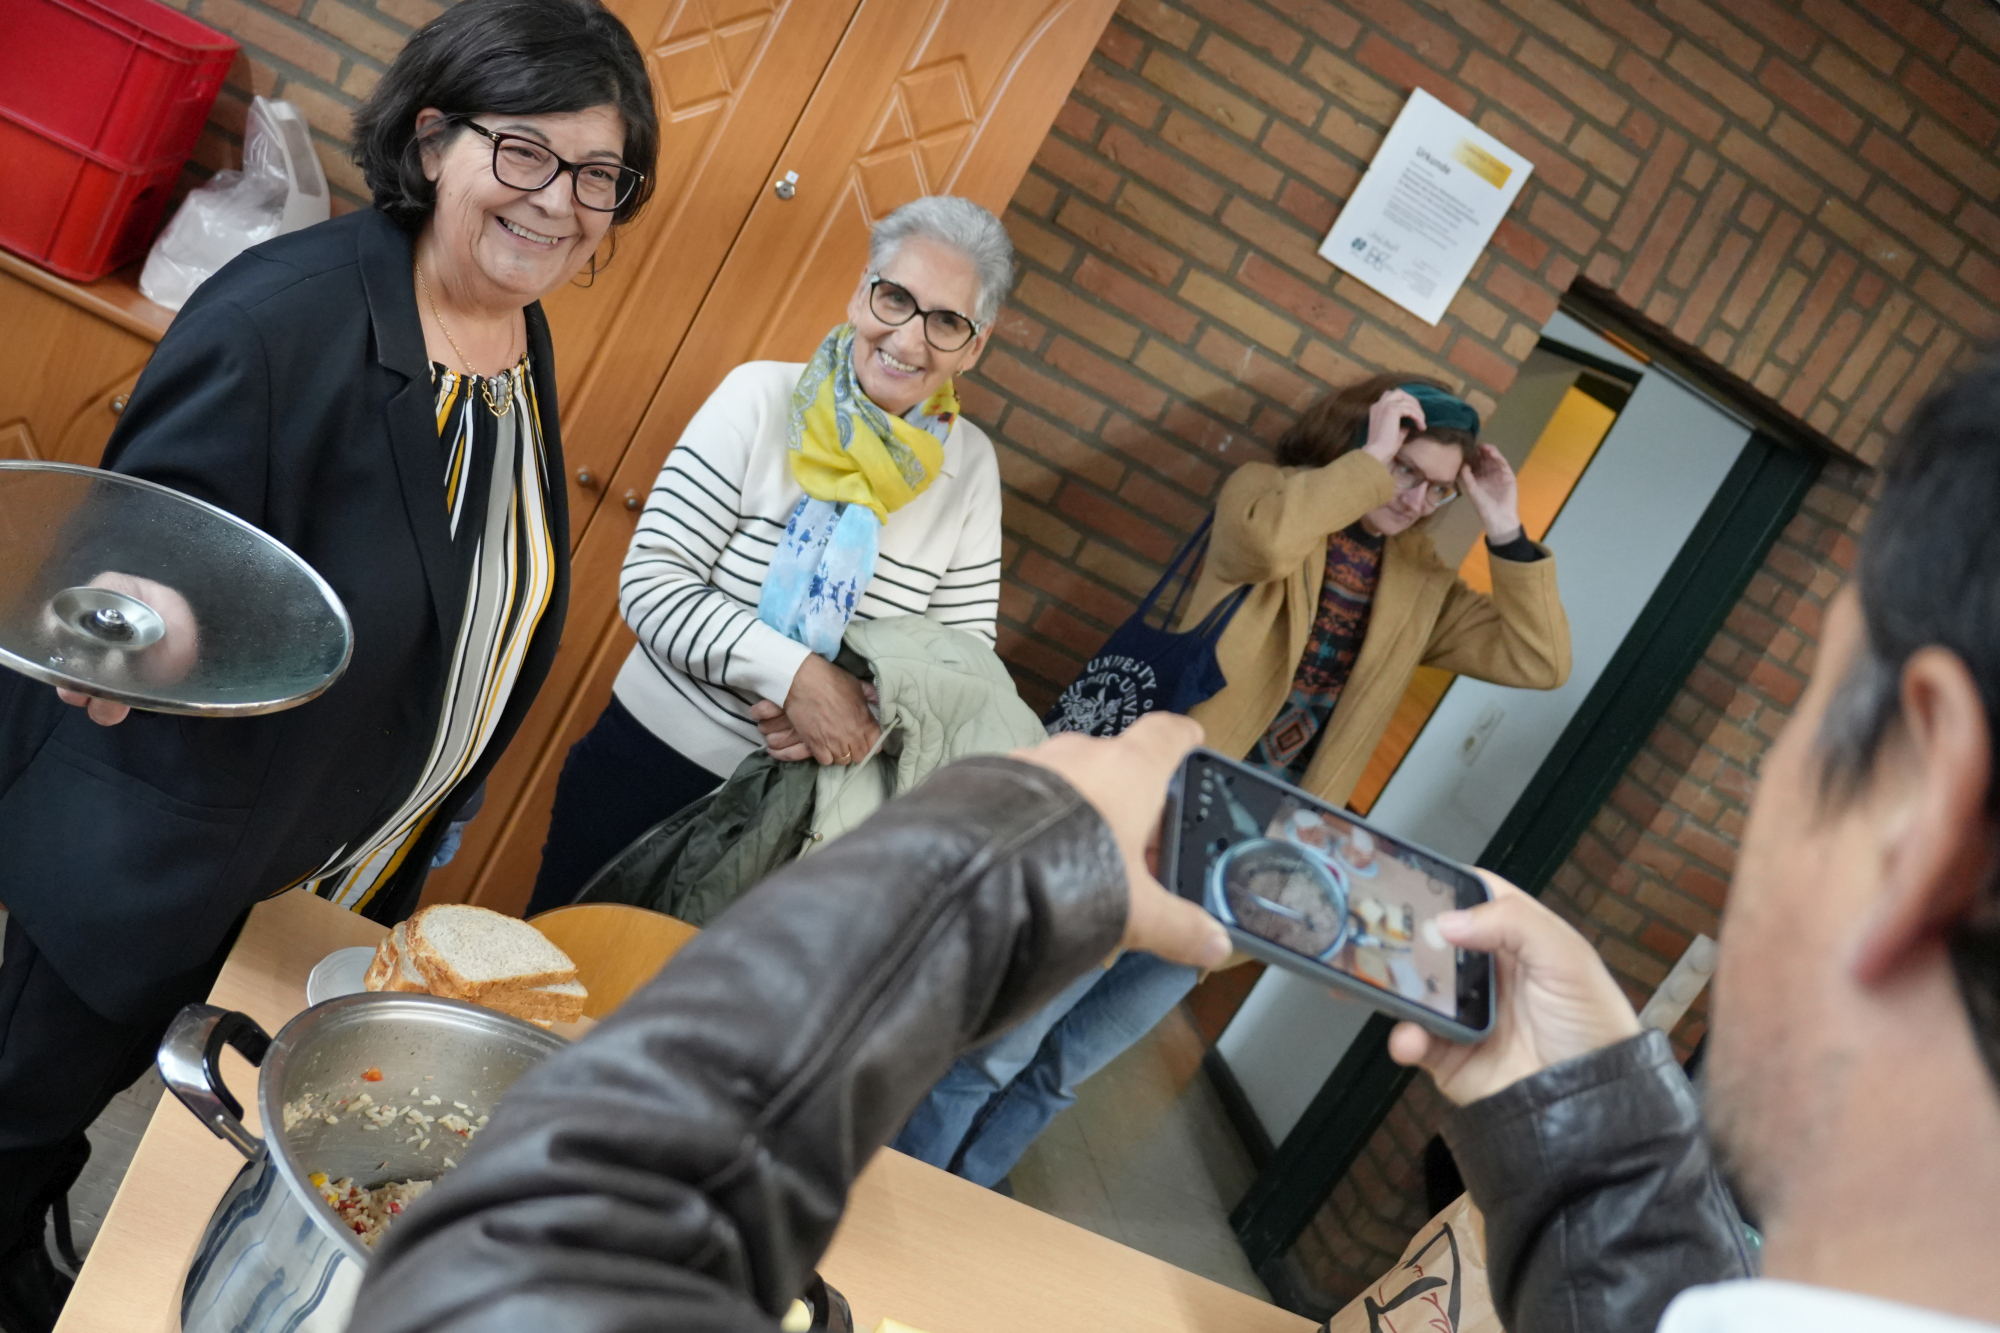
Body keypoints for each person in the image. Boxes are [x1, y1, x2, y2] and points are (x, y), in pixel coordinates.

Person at [0, 3, 657, 1326]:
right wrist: (140, 618)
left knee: (79, 1125)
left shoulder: (507, 330)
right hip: (162, 846)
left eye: (601, 174)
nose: (563, 203)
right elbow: (134, 553)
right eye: (525, 154)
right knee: (20, 1114)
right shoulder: (282, 322)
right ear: (432, 138)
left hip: (314, 861)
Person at [1389, 356, 2000, 1331]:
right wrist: (1596, 1137)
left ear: (1916, 817)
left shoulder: (1420, 585)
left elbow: (1538, 654)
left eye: (1808, 696)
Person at [894, 373, 1574, 1188]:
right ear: (1367, 441)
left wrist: (1503, 526)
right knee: (1000, 1043)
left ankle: (968, 1204)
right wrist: (1368, 462)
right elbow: (1263, 546)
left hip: (1247, 864)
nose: (1416, 498)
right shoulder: (1265, 495)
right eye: (1405, 470)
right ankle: (907, 1187)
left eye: (1436, 488)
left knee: (1068, 1065)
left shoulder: (1422, 582)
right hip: (1147, 824)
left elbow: (1539, 659)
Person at [525, 196, 1009, 913]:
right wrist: (796, 679)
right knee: (544, 998)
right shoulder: (758, 396)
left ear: (974, 344)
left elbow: (961, 677)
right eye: (895, 297)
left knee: (681, 1029)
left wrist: (854, 713)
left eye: (945, 321)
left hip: (805, 825)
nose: (909, 339)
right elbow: (653, 584)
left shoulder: (969, 470)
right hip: (647, 772)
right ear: (860, 293)